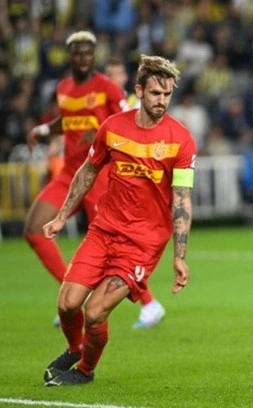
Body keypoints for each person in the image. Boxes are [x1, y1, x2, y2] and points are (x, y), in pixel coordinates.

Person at [41, 54, 196, 386]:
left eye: (167, 94)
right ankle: (75, 347)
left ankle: (85, 371)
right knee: (67, 304)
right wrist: (61, 216)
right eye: (155, 93)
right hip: (104, 231)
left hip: (142, 243)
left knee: (95, 311)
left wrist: (179, 256)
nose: (162, 101)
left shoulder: (180, 140)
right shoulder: (112, 128)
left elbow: (182, 200)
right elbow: (88, 171)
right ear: (139, 90)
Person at [25, 31, 165, 330]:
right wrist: (44, 130)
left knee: (113, 245)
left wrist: (104, 133)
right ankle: (71, 295)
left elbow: (131, 120)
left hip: (100, 175)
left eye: (88, 53)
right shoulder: (64, 88)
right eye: (77, 53)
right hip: (70, 173)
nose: (83, 58)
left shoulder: (107, 88)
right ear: (69, 56)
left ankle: (150, 304)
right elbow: (68, 120)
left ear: (94, 55)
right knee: (34, 229)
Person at [105, 55, 167, 329]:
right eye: (108, 74)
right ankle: (148, 304)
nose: (112, 79)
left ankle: (149, 304)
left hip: (129, 185)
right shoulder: (107, 102)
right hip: (108, 179)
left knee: (118, 247)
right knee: (108, 246)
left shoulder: (131, 105)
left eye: (116, 74)